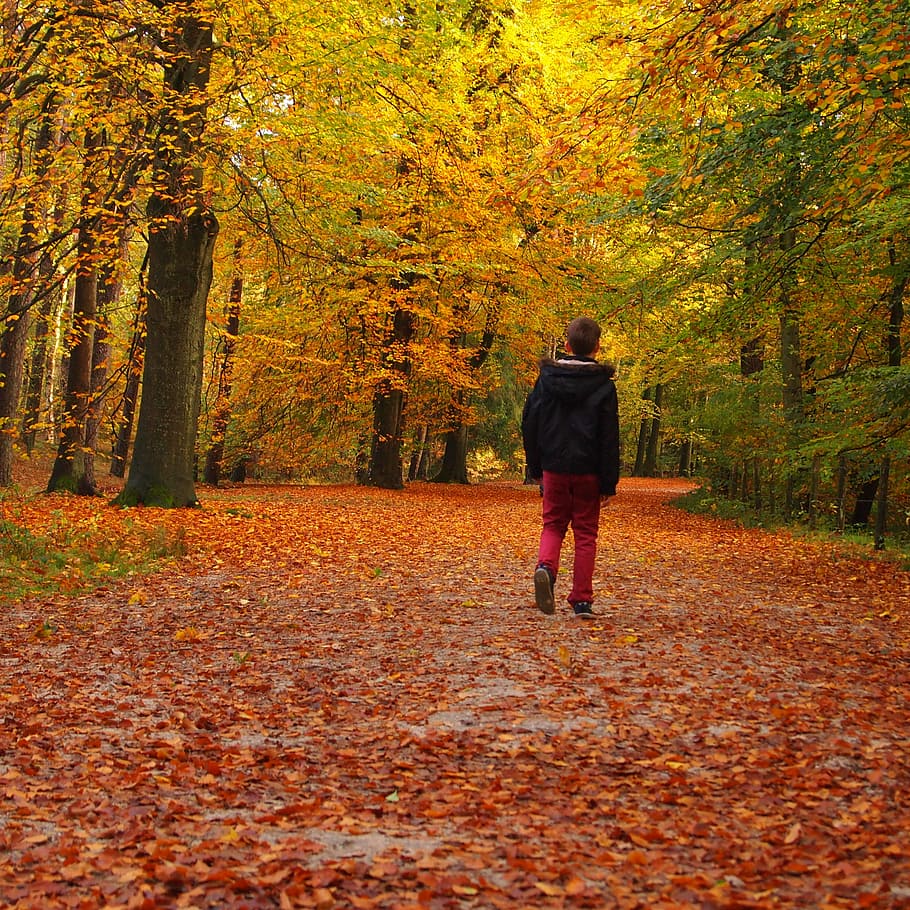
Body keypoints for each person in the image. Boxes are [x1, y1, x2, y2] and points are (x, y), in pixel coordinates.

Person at [521, 316, 620, 618]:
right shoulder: (604, 386)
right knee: (586, 534)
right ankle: (581, 601)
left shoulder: (547, 381)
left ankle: (546, 568)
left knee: (553, 525)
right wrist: (608, 482)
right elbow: (609, 437)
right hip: (589, 470)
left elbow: (530, 423)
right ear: (597, 348)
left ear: (566, 345)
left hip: (554, 466)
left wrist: (535, 466)